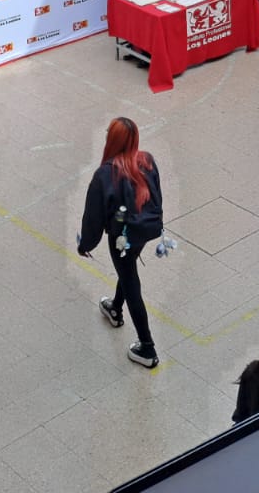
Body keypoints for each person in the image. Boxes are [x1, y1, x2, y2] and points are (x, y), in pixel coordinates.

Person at [77, 116, 162, 367]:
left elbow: (93, 216)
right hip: (145, 230)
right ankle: (114, 306)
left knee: (130, 280)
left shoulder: (105, 174)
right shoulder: (147, 161)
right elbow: (156, 194)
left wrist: (86, 245)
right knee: (128, 269)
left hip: (121, 237)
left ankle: (147, 347)